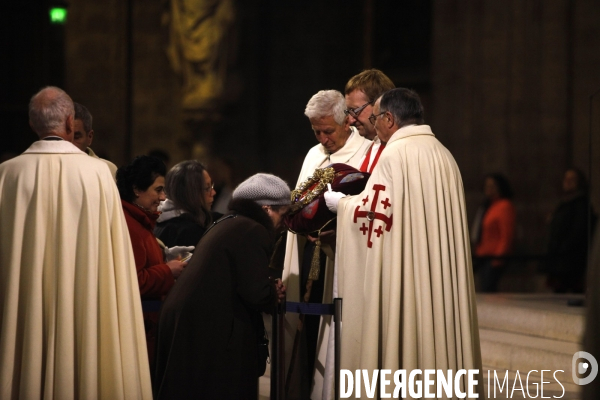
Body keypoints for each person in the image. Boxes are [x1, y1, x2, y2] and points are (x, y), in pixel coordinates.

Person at [325, 88, 484, 397]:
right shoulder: (444, 155)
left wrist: (341, 206)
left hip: (408, 277)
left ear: (389, 119)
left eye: (374, 118)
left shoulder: (394, 156)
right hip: (439, 280)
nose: (374, 125)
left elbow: (373, 214)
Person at [0, 86, 152, 399]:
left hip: (24, 307)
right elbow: (115, 260)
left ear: (33, 125)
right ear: (71, 122)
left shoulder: (7, 175)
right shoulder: (98, 174)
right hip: (88, 305)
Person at [153, 173, 288, 399]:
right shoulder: (253, 230)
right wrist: (272, 293)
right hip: (210, 332)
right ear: (266, 209)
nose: (282, 223)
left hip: (190, 324)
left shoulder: (228, 222)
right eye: (281, 215)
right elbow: (255, 292)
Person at [282, 89, 370, 397]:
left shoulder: (368, 153)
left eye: (327, 131)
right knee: (305, 330)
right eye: (316, 131)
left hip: (344, 258)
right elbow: (298, 200)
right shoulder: (313, 155)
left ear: (347, 121)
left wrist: (341, 225)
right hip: (310, 253)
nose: (322, 138)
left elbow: (368, 208)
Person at [116, 155, 189, 363]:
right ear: (137, 189)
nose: (164, 197)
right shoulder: (130, 225)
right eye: (158, 190)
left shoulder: (141, 220)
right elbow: (134, 281)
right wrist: (168, 270)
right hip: (139, 330)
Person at [545, 168, 596, 293]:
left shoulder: (581, 204)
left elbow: (579, 231)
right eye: (566, 179)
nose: (567, 182)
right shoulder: (564, 203)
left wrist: (564, 248)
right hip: (560, 258)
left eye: (572, 179)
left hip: (571, 259)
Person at [155, 160, 221, 247]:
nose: (213, 192)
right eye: (207, 188)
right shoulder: (190, 232)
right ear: (189, 193)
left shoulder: (157, 222)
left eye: (212, 186)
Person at [471, 173, 516, 292]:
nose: (488, 189)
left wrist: (499, 257)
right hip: (483, 256)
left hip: (494, 257)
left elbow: (506, 235)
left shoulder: (504, 206)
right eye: (487, 186)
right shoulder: (488, 206)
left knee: (489, 290)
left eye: (492, 186)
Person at [344, 69, 395, 173]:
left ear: (378, 104)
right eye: (348, 111)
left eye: (355, 110)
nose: (350, 120)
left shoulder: (400, 149)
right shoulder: (372, 147)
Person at [73, 102, 118, 177]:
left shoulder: (108, 170)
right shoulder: (52, 167)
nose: (69, 144)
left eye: (76, 137)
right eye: (65, 138)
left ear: (89, 137)